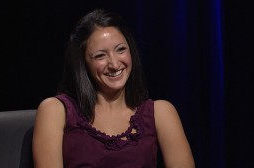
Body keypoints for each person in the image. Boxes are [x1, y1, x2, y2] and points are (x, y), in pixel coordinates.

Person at [33, 9, 195, 168]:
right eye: (100, 56)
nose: (115, 64)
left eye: (121, 50)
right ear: (83, 64)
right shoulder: (55, 110)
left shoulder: (161, 112)